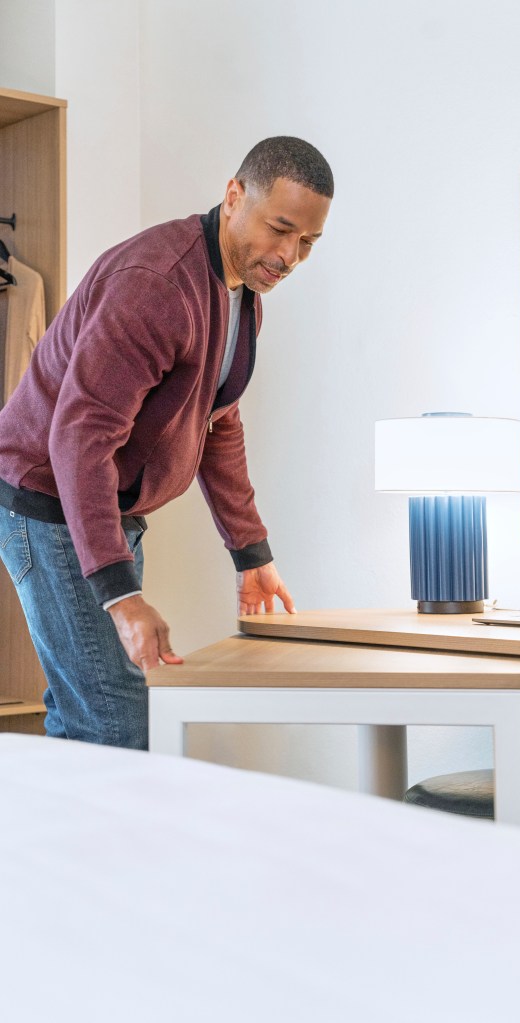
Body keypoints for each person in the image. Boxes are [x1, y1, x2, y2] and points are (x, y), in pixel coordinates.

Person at [0, 136, 333, 750]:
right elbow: (80, 439)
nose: (289, 256)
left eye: (307, 242)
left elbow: (219, 422)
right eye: (280, 229)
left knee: (88, 716)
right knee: (117, 724)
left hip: (111, 512)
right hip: (49, 505)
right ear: (234, 197)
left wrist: (251, 553)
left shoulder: (243, 296)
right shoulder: (155, 285)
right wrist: (121, 594)